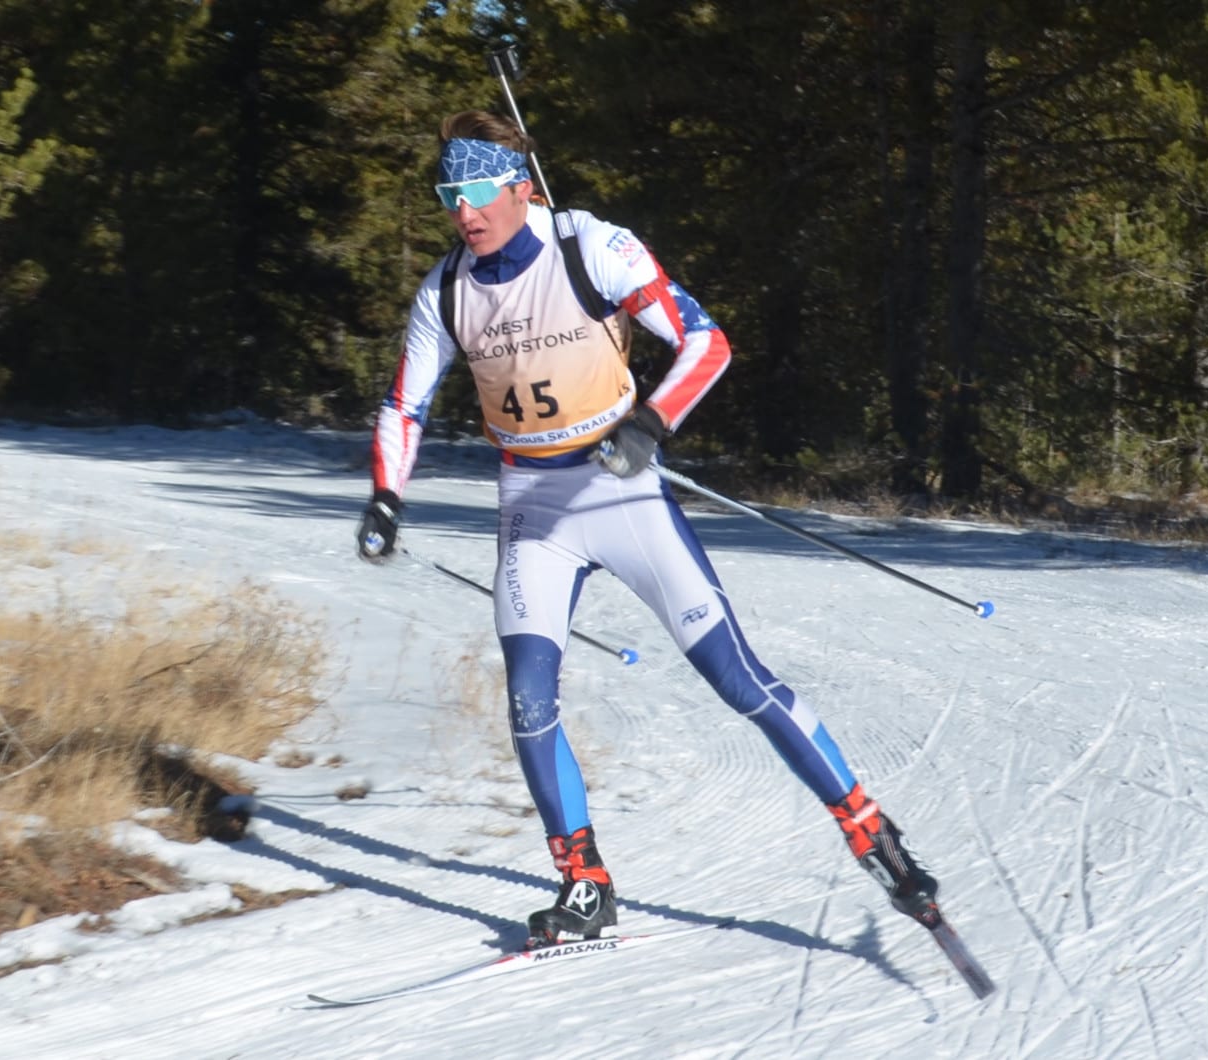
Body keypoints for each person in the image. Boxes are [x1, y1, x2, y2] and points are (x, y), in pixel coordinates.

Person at [358, 110, 939, 949]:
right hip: (533, 509)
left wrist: (651, 423)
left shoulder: (592, 249)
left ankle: (868, 829)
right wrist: (386, 496)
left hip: (620, 491)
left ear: (521, 187)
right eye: (448, 194)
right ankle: (584, 881)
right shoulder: (444, 291)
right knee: (527, 699)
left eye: (477, 190)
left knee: (736, 678)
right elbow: (403, 407)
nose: (463, 211)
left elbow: (706, 343)